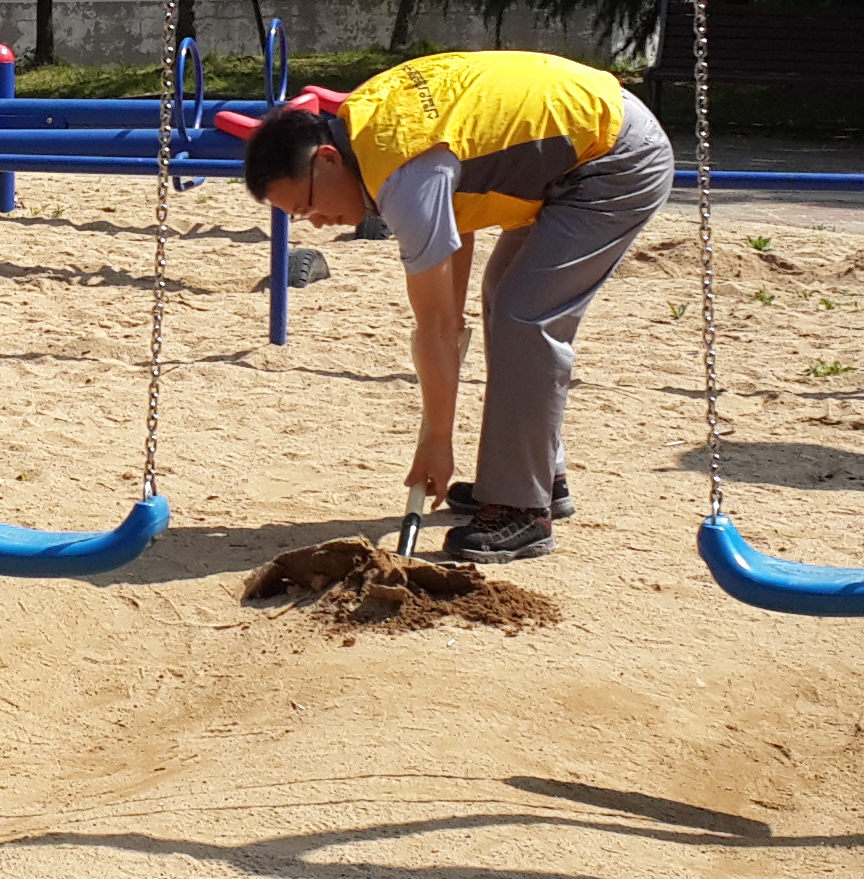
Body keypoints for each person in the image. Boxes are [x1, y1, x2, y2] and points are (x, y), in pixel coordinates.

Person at [242, 50, 672, 563]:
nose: (315, 223)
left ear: (327, 159)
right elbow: (456, 245)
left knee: (524, 315)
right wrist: (452, 327)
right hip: (575, 144)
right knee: (504, 297)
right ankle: (537, 477)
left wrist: (437, 442)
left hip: (614, 158)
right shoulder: (368, 129)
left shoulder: (403, 176)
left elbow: (438, 326)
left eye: (308, 205)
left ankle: (521, 511)